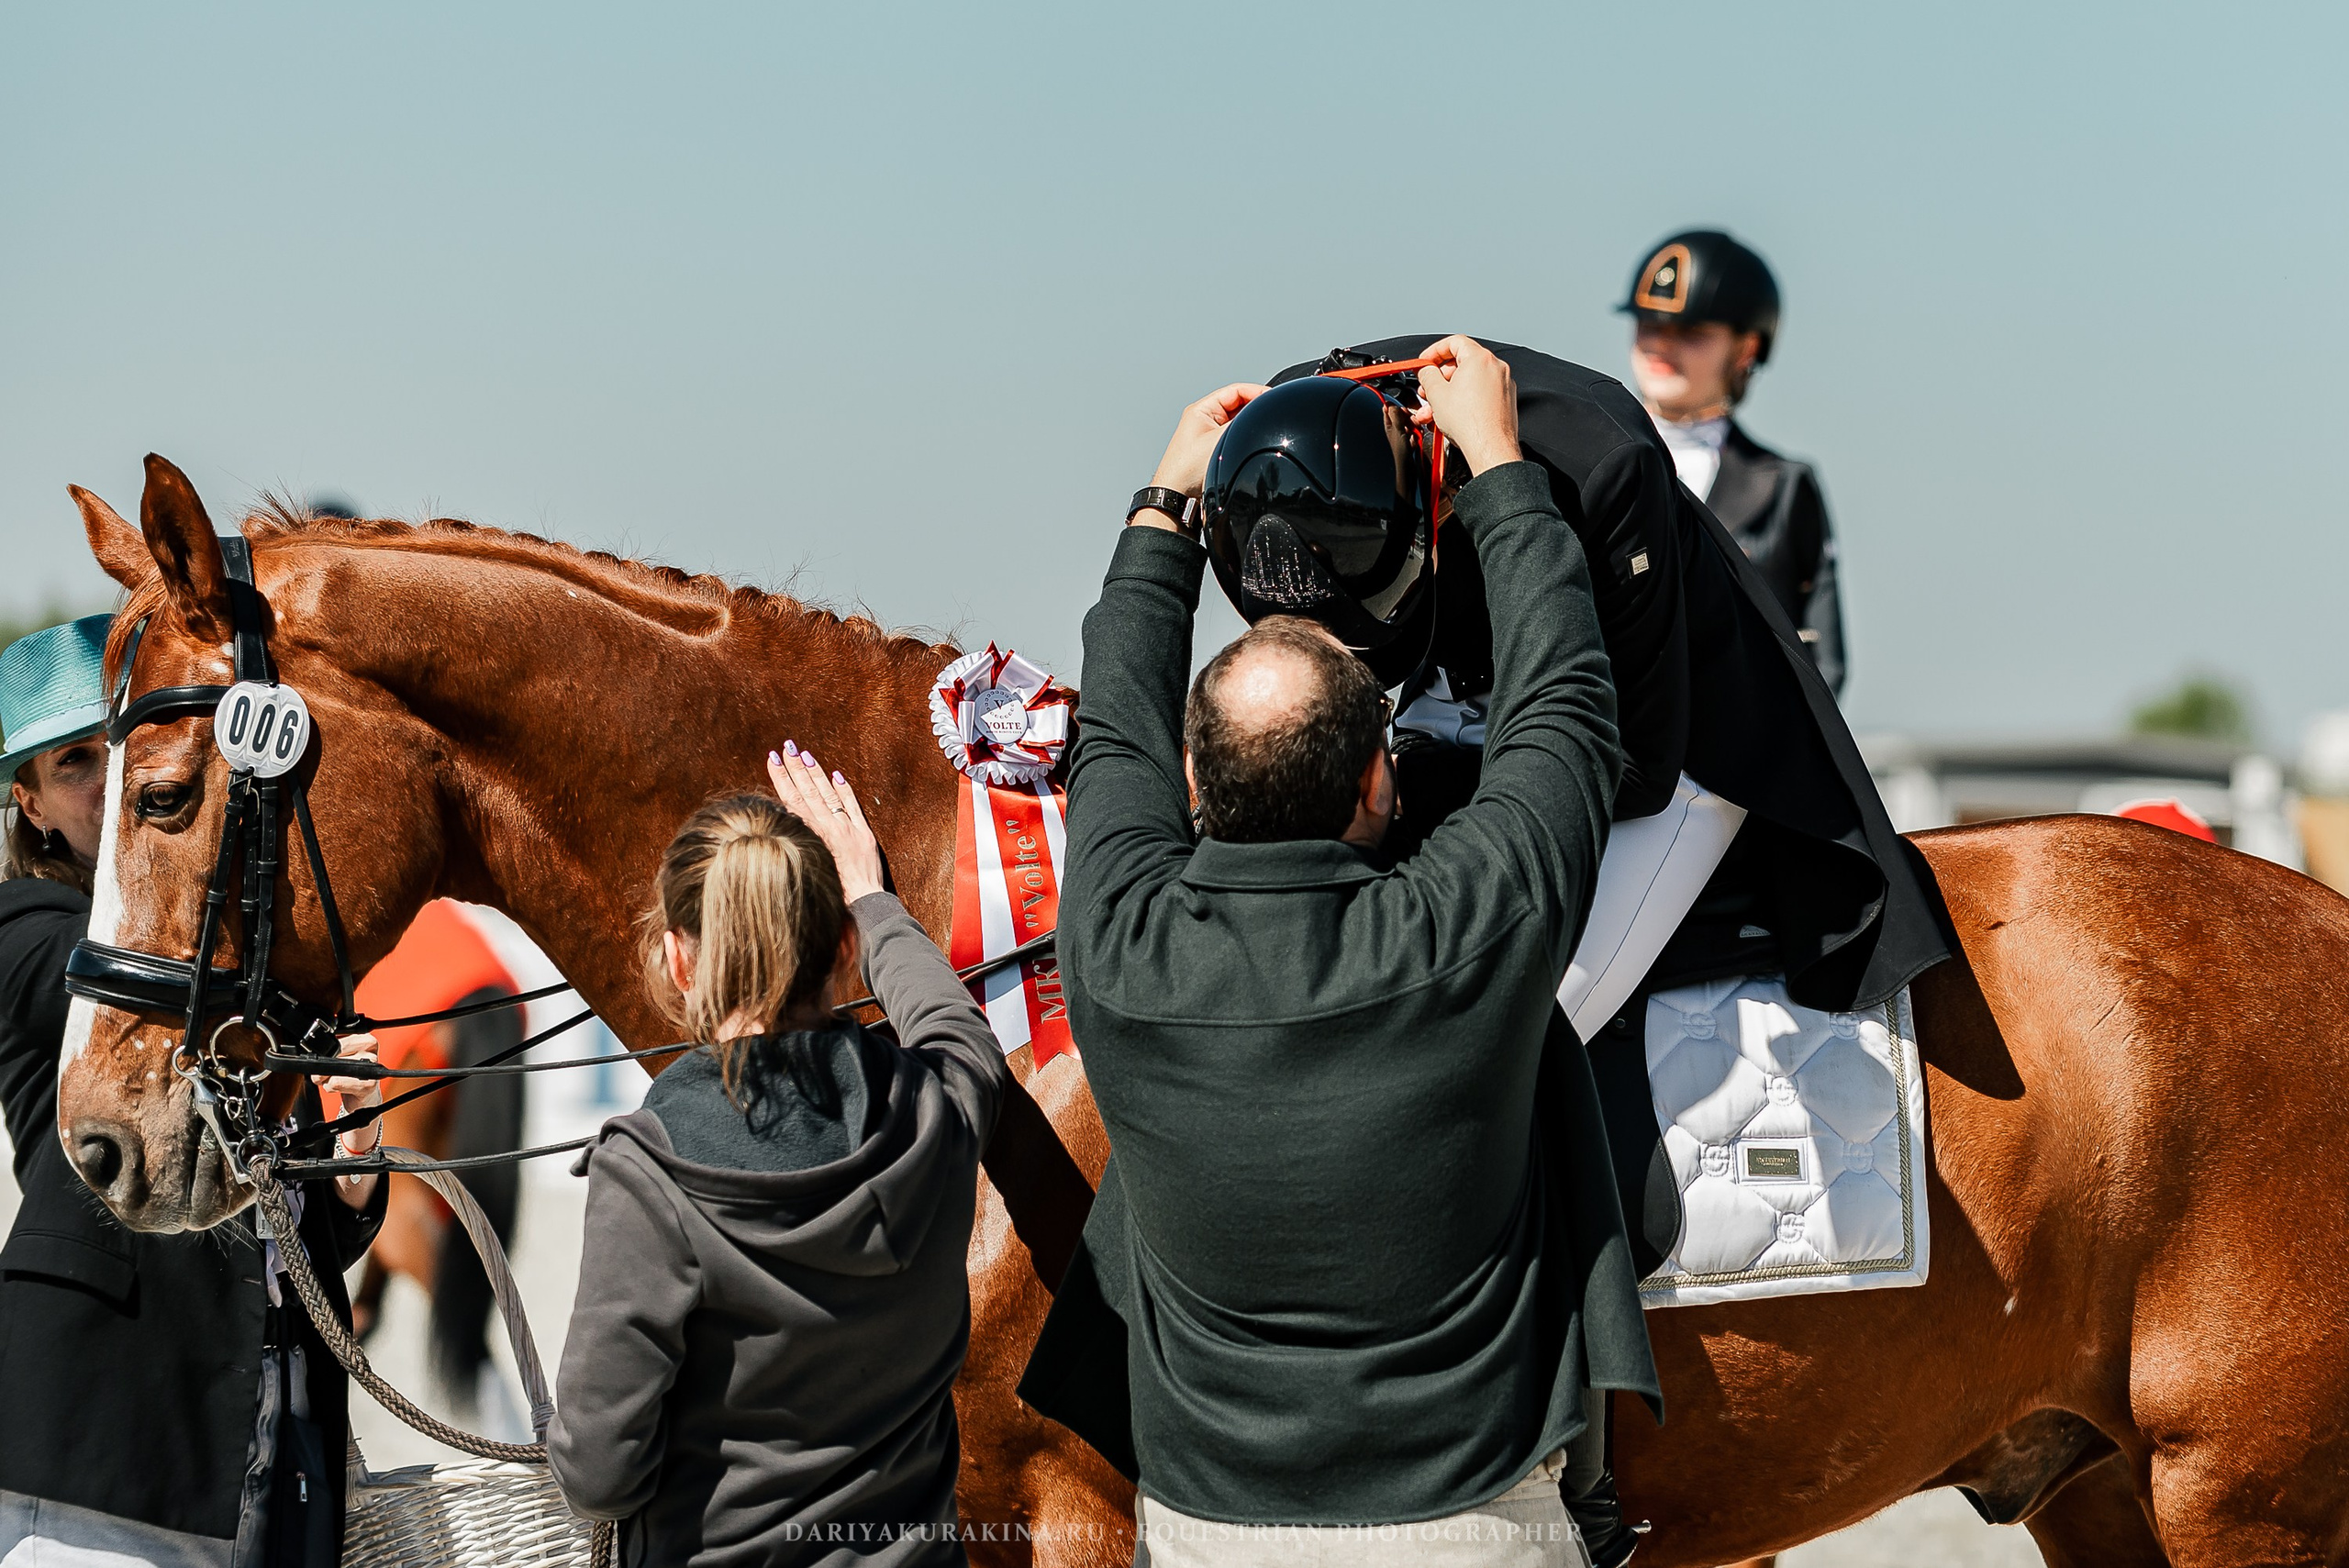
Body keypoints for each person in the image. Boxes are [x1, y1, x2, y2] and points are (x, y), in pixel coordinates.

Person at [1019, 339, 1654, 1566]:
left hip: (1209, 1537)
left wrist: (1164, 508)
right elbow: (1568, 710)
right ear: (1380, 776)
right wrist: (1500, 468)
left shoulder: (1118, 949)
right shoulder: (1464, 931)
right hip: (1470, 1533)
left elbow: (1114, 749)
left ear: (1196, 779)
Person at [549, 745, 1009, 1566]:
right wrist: (874, 900)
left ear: (681, 959)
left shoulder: (649, 1177)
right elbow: (959, 1034)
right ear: (840, 947)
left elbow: (600, 1475)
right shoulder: (938, 1113)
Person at [0, 614, 389, 1568]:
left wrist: (349, 1182)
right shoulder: (23, 926)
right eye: (74, 764)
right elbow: (154, 991)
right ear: (31, 804)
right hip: (105, 1418)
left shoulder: (225, 950)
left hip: (273, 1420)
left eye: (125, 747)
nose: (111, 778)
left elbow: (288, 1219)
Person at [1620, 229, 1845, 693]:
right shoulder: (1577, 459)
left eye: (1691, 333)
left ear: (1746, 349)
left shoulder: (1786, 487)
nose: (1662, 344)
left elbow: (1823, 665)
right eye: (1650, 324)